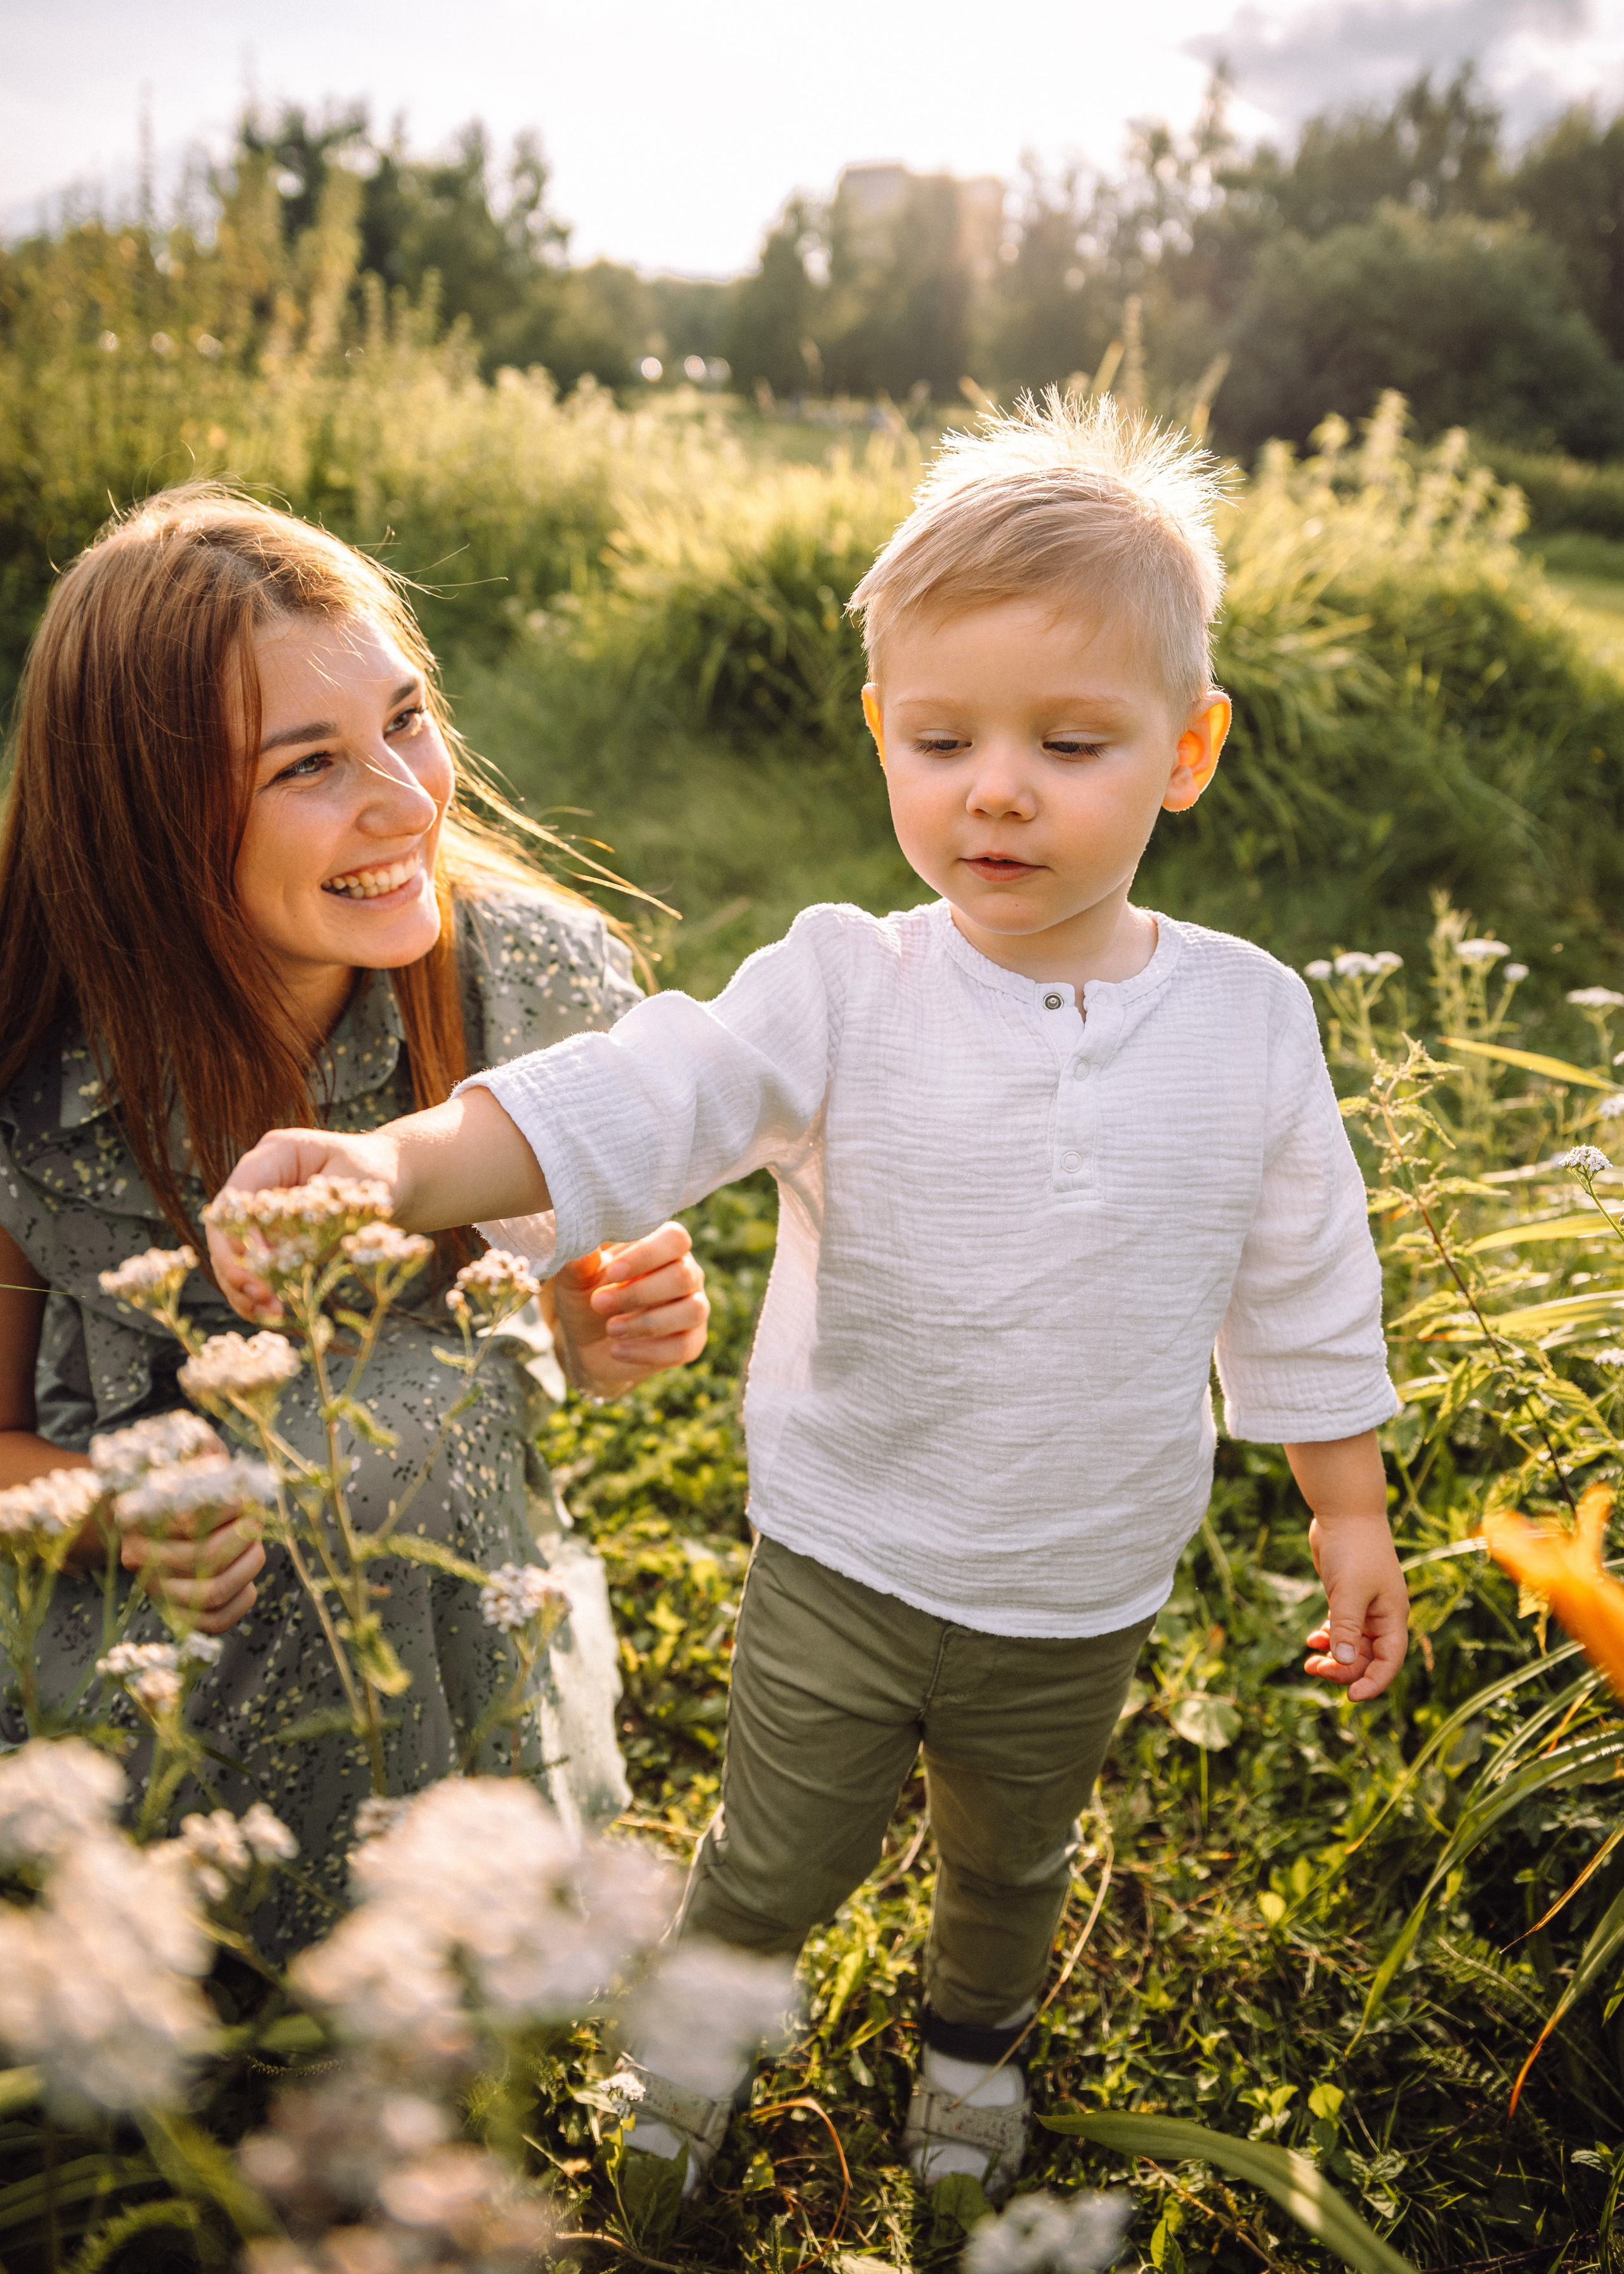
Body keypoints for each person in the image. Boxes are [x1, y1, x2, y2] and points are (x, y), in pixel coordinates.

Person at [208, 397, 1410, 2194]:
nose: (995, 787)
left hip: (1078, 1581)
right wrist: (395, 1168)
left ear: (1188, 747)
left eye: (1070, 741)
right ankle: (692, 2073)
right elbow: (646, 1091)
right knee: (770, 1860)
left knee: (1012, 1864)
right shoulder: (844, 985)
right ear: (881, 735)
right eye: (942, 738)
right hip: (847, 1551)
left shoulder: (1250, 1021)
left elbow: (1304, 1269)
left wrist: (1351, 1505)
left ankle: (974, 2059)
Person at [0, 485, 709, 1950]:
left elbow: (553, 1288)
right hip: (135, 1628)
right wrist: (111, 1513)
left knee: (401, 1414)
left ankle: (434, 1940)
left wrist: (590, 1310)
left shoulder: (522, 979)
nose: (402, 798)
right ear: (149, 824)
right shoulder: (29, 1062)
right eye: (308, 764)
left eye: (404, 720)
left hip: (435, 1604)